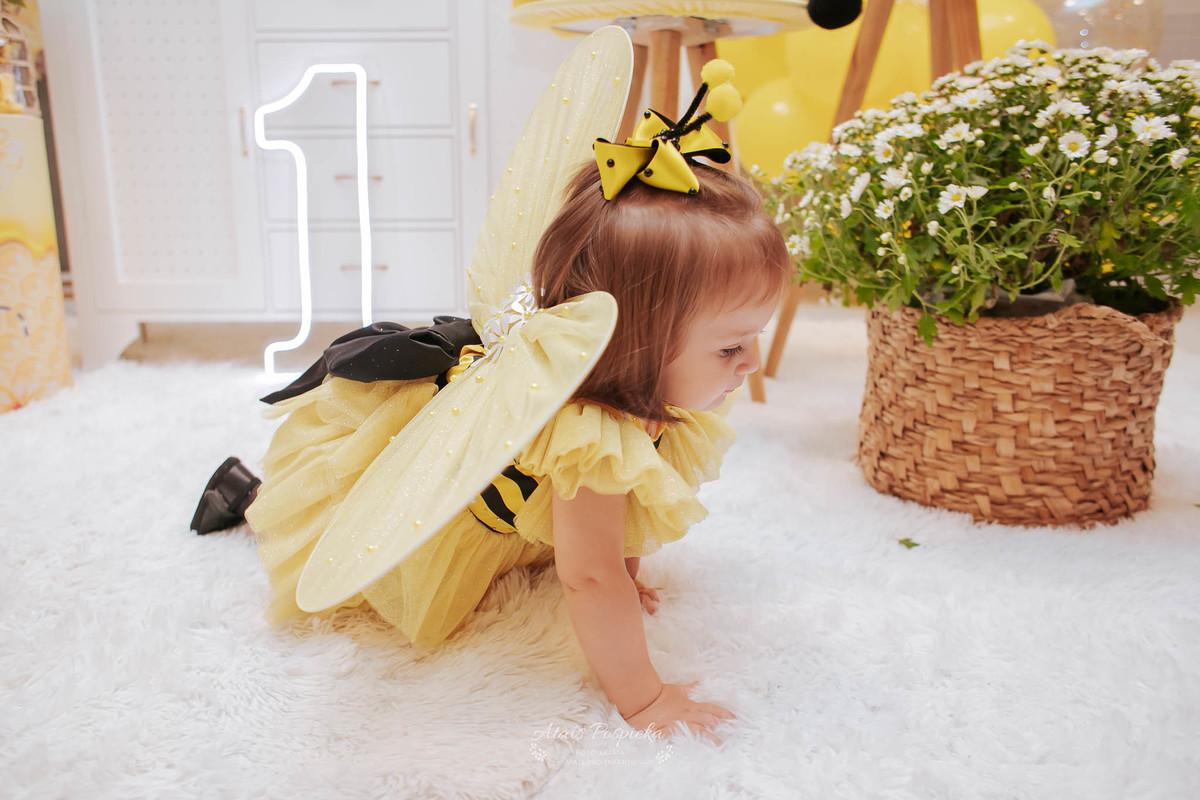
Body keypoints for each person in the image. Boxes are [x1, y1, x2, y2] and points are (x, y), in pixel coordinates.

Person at [192, 30, 788, 744]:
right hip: (442, 497)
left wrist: (628, 575)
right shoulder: (588, 437)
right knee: (348, 541)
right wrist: (645, 700)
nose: (751, 364)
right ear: (633, 344)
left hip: (512, 475)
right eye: (730, 346)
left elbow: (629, 511)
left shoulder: (638, 397)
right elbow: (588, 578)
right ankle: (245, 496)